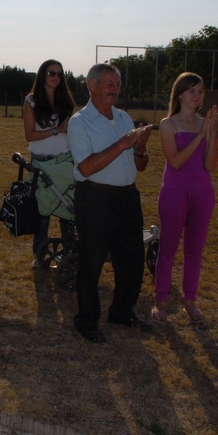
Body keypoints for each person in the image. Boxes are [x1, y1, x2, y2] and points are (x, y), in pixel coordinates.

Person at [67, 64, 153, 343]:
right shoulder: (79, 122)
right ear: (92, 85)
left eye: (118, 84)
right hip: (96, 198)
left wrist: (140, 149)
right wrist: (123, 144)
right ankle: (87, 320)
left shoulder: (124, 118)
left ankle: (122, 312)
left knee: (132, 260)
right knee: (91, 262)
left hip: (128, 198)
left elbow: (140, 165)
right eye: (109, 84)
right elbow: (86, 167)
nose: (115, 89)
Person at [150, 73, 218, 326]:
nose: (197, 96)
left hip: (202, 193)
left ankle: (190, 301)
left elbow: (209, 165)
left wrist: (211, 133)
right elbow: (176, 161)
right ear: (179, 94)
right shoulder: (168, 124)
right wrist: (200, 135)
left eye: (200, 91)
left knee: (194, 251)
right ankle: (161, 302)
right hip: (174, 193)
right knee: (167, 249)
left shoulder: (205, 123)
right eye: (192, 91)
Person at [23, 59, 76, 263]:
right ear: (42, 75)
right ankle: (40, 254)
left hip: (65, 161)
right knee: (42, 211)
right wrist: (57, 130)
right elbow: (29, 135)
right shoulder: (31, 101)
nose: (56, 77)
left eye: (60, 74)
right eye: (51, 73)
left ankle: (70, 251)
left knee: (68, 207)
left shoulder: (66, 100)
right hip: (42, 162)